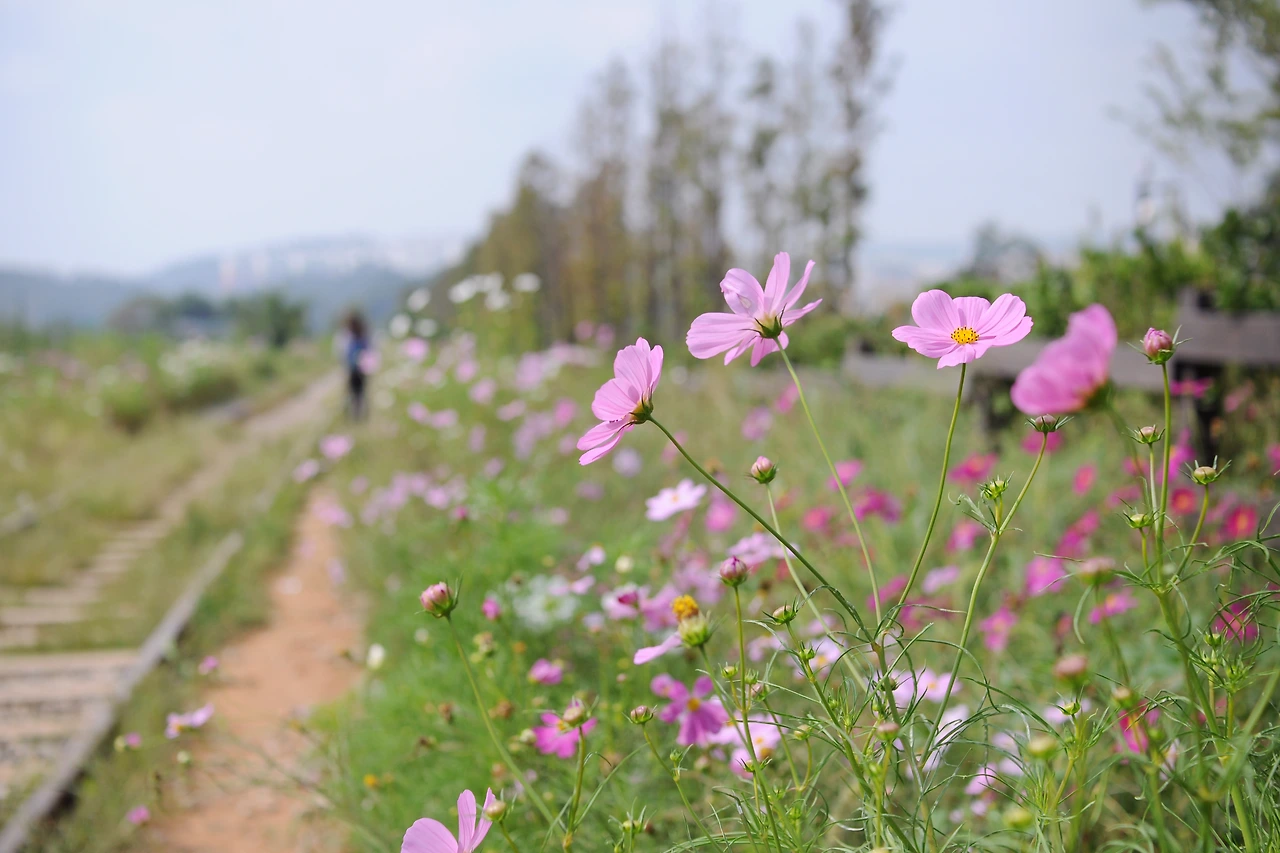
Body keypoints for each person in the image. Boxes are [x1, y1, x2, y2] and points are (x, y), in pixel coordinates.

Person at [344, 311, 369, 420]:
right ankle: (354, 414)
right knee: (353, 393)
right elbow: (347, 354)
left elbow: (367, 353)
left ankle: (359, 414)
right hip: (353, 369)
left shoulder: (361, 338)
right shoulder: (350, 338)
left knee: (360, 393)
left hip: (361, 370)